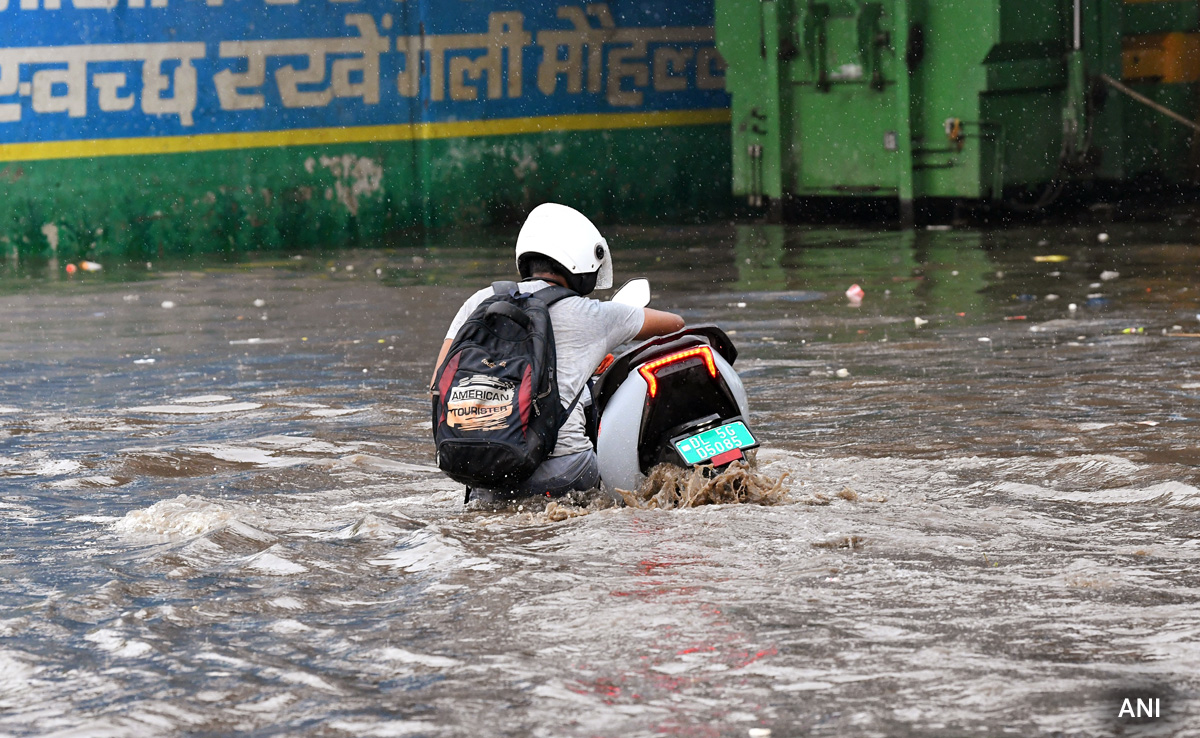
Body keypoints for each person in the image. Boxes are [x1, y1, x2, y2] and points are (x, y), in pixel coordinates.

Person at [431, 203, 684, 500]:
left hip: (485, 476)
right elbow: (674, 324)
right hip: (566, 471)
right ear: (582, 259)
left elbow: (438, 383)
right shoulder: (592, 313)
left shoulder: (478, 302)